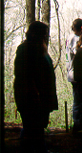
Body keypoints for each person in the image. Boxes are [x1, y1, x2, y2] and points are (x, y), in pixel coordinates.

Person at [14, 21, 58, 152]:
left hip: (42, 98)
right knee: (32, 128)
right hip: (31, 99)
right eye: (42, 34)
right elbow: (24, 76)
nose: (44, 37)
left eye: (46, 35)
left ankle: (40, 148)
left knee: (37, 128)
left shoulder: (40, 48)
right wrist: (35, 95)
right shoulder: (25, 49)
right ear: (33, 34)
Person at [65, 18, 82, 132]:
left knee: (78, 100)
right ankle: (78, 125)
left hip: (72, 72)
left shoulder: (69, 37)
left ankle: (78, 124)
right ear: (81, 28)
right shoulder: (75, 38)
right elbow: (77, 52)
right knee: (78, 101)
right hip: (76, 73)